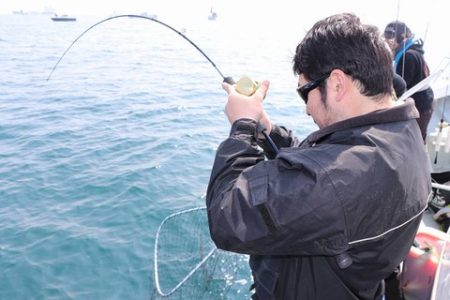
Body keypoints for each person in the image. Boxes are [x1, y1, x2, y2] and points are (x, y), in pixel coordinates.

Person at [206, 13, 431, 300]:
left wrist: (242, 128)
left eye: (305, 92)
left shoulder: (337, 181)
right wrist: (267, 131)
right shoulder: (404, 133)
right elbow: (327, 163)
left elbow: (227, 216)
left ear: (337, 84)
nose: (306, 109)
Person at [383, 21, 434, 142]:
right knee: (418, 139)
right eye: (386, 35)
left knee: (414, 141)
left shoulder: (408, 56)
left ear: (403, 36)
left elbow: (400, 86)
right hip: (425, 103)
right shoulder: (414, 50)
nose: (388, 39)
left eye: (391, 35)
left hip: (420, 107)